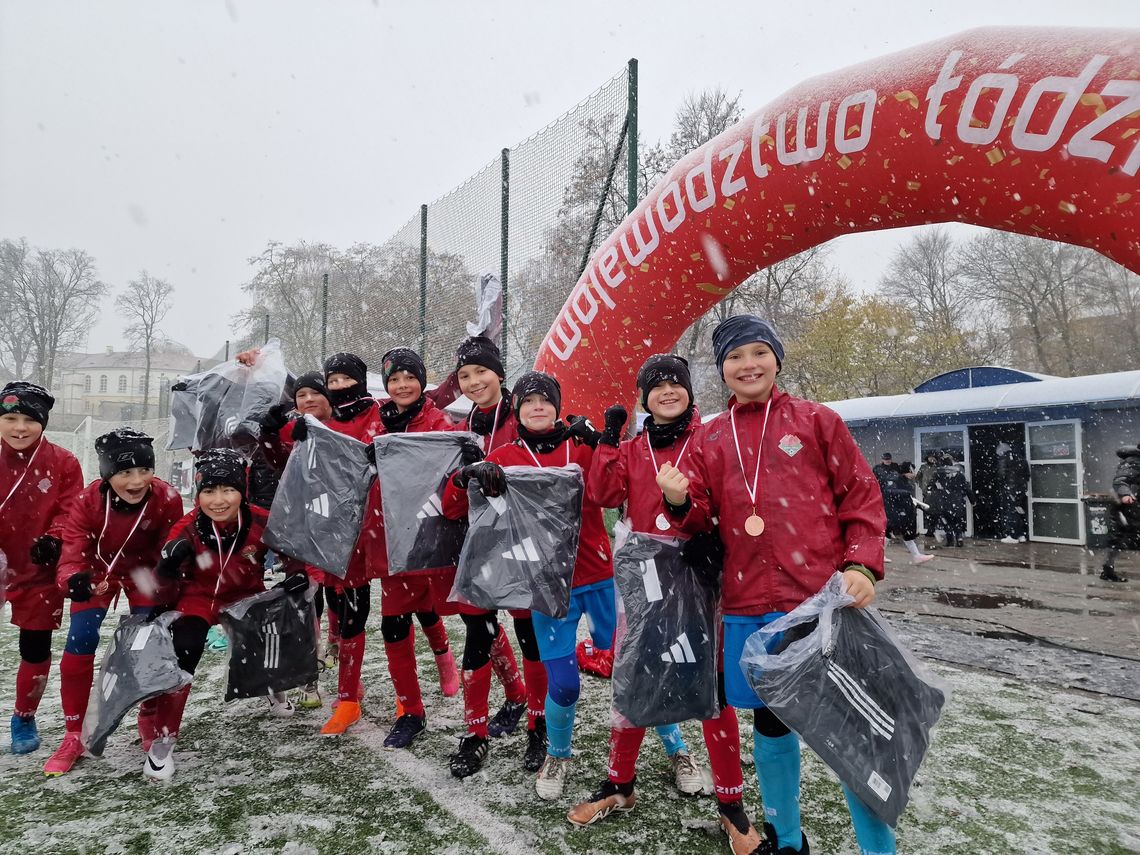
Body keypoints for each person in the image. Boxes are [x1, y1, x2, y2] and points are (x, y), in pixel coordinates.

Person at [663, 315, 893, 855]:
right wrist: (678, 501)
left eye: (757, 353)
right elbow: (698, 519)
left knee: (846, 734)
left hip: (819, 603)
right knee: (770, 725)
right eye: (735, 357)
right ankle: (786, 841)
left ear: (776, 359)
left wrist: (861, 564)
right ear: (721, 370)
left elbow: (861, 498)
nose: (748, 365)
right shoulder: (709, 436)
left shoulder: (817, 421)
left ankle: (878, 849)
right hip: (746, 606)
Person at [567, 354, 728, 827]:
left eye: (675, 384)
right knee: (635, 676)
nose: (667, 392)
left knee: (707, 684)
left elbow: (727, 500)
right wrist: (610, 440)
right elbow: (602, 494)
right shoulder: (634, 447)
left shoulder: (709, 439)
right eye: (656, 387)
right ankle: (619, 784)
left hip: (699, 579)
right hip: (644, 579)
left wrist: (707, 531)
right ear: (644, 398)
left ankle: (730, 801)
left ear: (689, 391)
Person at [444, 371, 613, 800]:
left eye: (546, 400)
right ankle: (549, 741)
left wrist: (603, 442)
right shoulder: (504, 452)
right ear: (516, 408)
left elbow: (614, 489)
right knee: (563, 679)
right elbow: (451, 506)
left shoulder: (580, 445)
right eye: (528, 400)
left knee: (628, 667)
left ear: (558, 405)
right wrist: (467, 477)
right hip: (539, 579)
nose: (538, 407)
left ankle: (672, 745)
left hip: (595, 576)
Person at [143, 449, 309, 780]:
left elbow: (291, 549)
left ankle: (276, 692)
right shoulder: (187, 528)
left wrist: (296, 572)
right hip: (198, 598)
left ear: (241, 492)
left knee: (265, 647)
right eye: (209, 491)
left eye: (228, 490)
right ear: (198, 493)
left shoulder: (260, 519)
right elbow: (160, 582)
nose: (218, 500)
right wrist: (167, 567)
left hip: (245, 595)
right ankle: (162, 743)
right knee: (185, 655)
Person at [43, 429, 185, 775]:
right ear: (107, 474)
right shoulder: (87, 501)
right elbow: (73, 549)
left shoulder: (166, 497)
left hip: (143, 574)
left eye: (144, 470)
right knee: (80, 641)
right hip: (98, 575)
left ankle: (148, 717)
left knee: (148, 649)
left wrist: (169, 575)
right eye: (125, 472)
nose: (137, 481)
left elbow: (171, 543)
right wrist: (73, 578)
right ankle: (74, 732)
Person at [441, 336, 541, 778]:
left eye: (481, 371)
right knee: (477, 635)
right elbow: (449, 504)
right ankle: (476, 733)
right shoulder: (461, 427)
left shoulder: (524, 415)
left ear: (499, 373)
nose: (474, 381)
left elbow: (546, 478)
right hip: (478, 548)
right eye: (464, 375)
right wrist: (463, 474)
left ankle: (538, 723)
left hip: (522, 547)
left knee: (529, 634)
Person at [369, 347, 461, 750]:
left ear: (422, 381)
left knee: (477, 619)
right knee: (394, 626)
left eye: (409, 377)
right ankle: (410, 711)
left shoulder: (440, 422)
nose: (402, 385)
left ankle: (513, 694)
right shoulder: (376, 421)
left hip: (437, 543)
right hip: (395, 544)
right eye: (393, 379)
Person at [0, 381, 84, 756]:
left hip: (38, 567)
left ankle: (24, 714)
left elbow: (72, 511)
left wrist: (54, 537)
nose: (19, 428)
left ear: (43, 423)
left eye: (29, 420)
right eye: (10, 418)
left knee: (33, 647)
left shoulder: (63, 462)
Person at [258, 371, 337, 707]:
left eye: (315, 393)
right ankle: (310, 674)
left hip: (337, 525)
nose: (308, 400)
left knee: (344, 599)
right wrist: (271, 432)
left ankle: (338, 648)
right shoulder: (292, 428)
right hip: (299, 524)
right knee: (306, 597)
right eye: (301, 395)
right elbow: (276, 459)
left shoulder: (345, 423)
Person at [1101, 444, 1139, 583]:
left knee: (1119, 538)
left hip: (1131, 506)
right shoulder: (1134, 461)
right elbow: (1120, 480)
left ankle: (1108, 569)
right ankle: (1108, 570)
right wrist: (1125, 493)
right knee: (1119, 538)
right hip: (1127, 506)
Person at [884, 462, 934, 565]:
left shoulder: (905, 481)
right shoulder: (896, 479)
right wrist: (905, 494)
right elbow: (889, 491)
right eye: (911, 471)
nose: (913, 474)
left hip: (902, 512)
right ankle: (879, 555)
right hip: (897, 512)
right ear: (906, 472)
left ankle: (916, 556)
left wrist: (915, 503)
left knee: (901, 534)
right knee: (891, 533)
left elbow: (906, 497)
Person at [932, 453, 974, 548]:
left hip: (944, 501)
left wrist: (937, 492)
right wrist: (972, 500)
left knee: (946, 521)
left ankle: (950, 540)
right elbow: (966, 488)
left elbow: (931, 486)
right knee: (957, 520)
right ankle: (959, 538)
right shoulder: (959, 474)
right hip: (957, 500)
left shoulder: (938, 474)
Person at [995, 443, 1030, 544]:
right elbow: (1027, 475)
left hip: (1010, 489)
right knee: (1019, 511)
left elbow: (1001, 475)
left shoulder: (1004, 459)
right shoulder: (1022, 459)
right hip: (1022, 489)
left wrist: (1005, 485)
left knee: (1010, 512)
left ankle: (1012, 535)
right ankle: (1021, 534)